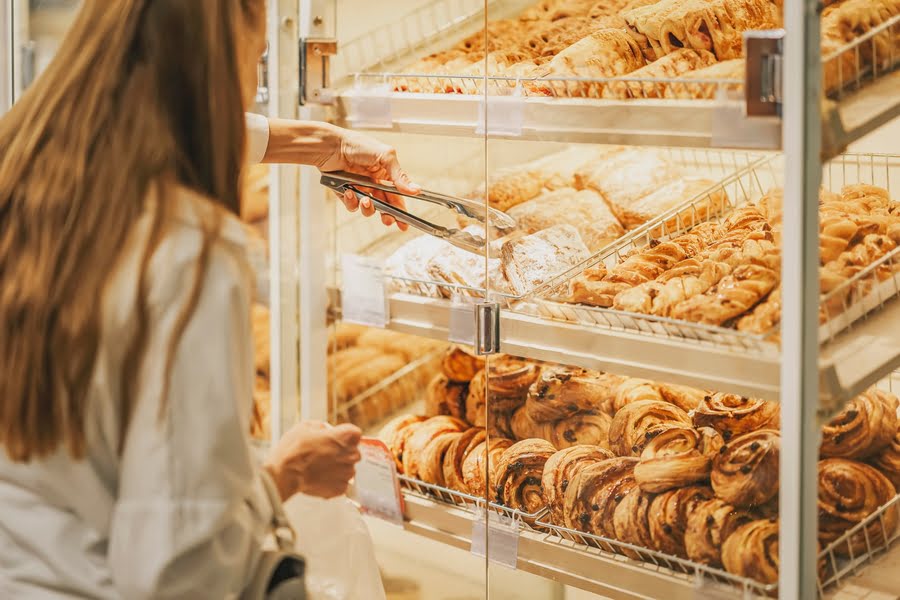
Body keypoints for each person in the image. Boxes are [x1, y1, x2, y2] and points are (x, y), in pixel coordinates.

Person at [0, 1, 415, 598]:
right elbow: (182, 570)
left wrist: (317, 142)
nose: (256, 72)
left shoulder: (27, 181)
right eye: (255, 52)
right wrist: (277, 483)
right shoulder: (190, 255)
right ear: (216, 62)